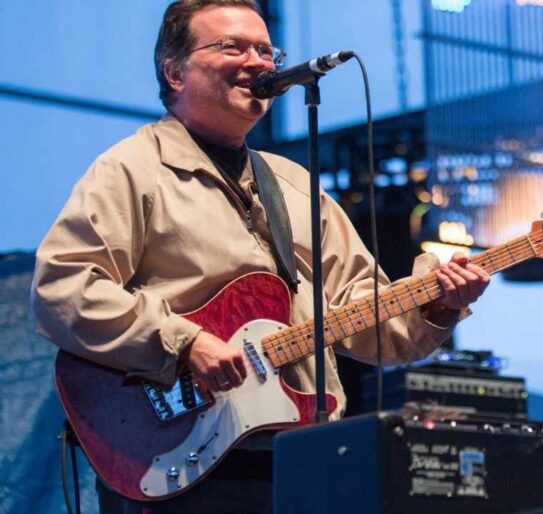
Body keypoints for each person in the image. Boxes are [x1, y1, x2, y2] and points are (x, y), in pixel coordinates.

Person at [30, 1, 489, 512]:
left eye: (267, 50)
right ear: (174, 71)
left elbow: (365, 317)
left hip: (298, 455)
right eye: (232, 46)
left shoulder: (296, 186)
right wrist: (185, 343)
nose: (259, 61)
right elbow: (63, 288)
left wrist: (439, 305)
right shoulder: (132, 169)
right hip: (174, 457)